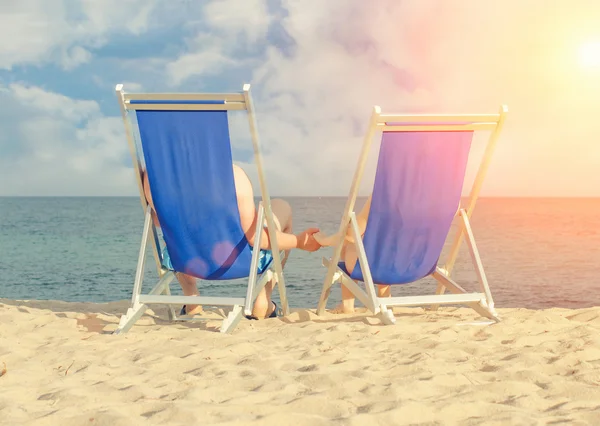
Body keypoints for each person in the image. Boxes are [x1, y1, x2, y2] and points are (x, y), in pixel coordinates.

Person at [141, 164, 321, 319]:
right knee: (281, 207)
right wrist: (298, 241)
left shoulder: (152, 176)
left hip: (183, 259)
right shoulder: (233, 176)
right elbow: (260, 240)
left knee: (180, 238)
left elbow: (158, 223)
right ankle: (262, 299)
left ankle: (192, 301)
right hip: (237, 261)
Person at [314, 195, 390, 313]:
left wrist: (325, 241)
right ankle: (384, 296)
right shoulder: (428, 192)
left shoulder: (383, 193)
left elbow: (351, 234)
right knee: (386, 245)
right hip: (419, 265)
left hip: (383, 266)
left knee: (349, 242)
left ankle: (348, 307)